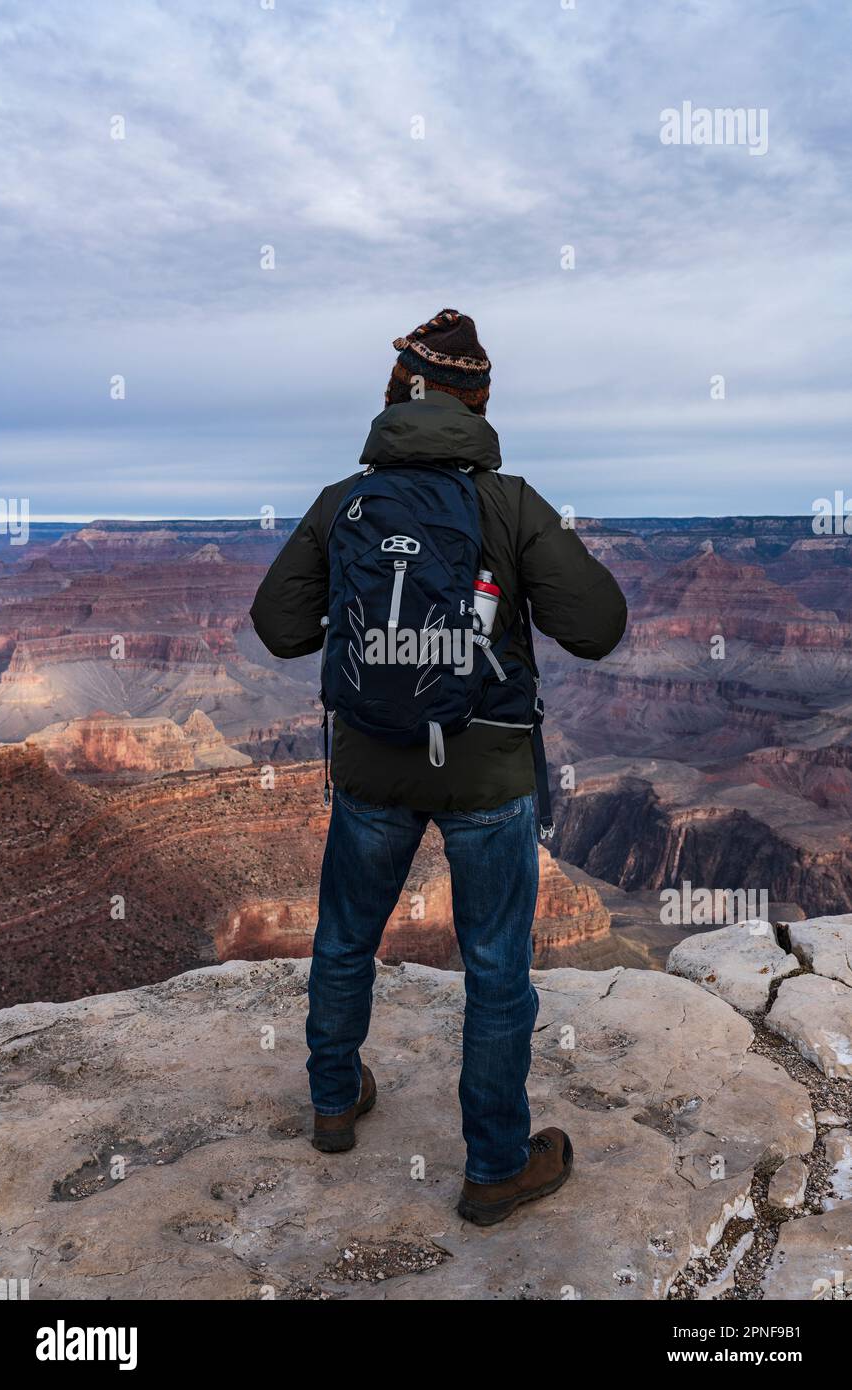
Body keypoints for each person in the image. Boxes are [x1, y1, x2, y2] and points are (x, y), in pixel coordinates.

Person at [250, 309, 627, 1225]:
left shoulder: (345, 500)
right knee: (496, 972)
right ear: (479, 403)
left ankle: (334, 1103)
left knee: (346, 939)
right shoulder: (510, 503)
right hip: (486, 774)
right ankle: (494, 1166)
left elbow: (280, 626)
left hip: (373, 766)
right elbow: (598, 627)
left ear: (394, 399)